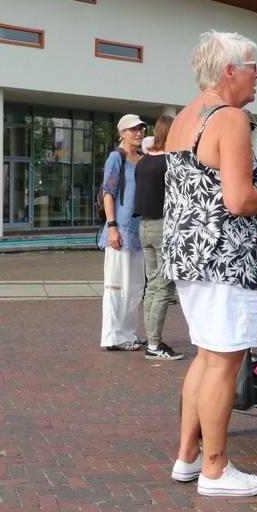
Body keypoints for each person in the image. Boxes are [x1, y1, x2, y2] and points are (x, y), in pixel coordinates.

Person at [163, 30, 257, 497]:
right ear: (229, 71)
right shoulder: (231, 118)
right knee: (222, 362)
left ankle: (189, 455)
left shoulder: (185, 117)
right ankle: (215, 468)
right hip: (225, 258)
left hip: (189, 253)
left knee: (205, 357)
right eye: (253, 66)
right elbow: (239, 200)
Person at [135, 114, 183, 361]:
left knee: (152, 285)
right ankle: (154, 344)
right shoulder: (170, 161)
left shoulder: (143, 162)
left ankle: (151, 338)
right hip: (164, 226)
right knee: (163, 287)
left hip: (144, 226)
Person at [100, 114, 148, 352]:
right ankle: (112, 337)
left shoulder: (143, 159)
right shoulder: (115, 157)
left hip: (139, 231)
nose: (138, 133)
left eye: (140, 129)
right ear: (122, 133)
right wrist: (112, 227)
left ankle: (127, 333)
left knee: (135, 287)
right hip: (120, 230)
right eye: (132, 130)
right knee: (116, 285)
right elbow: (108, 192)